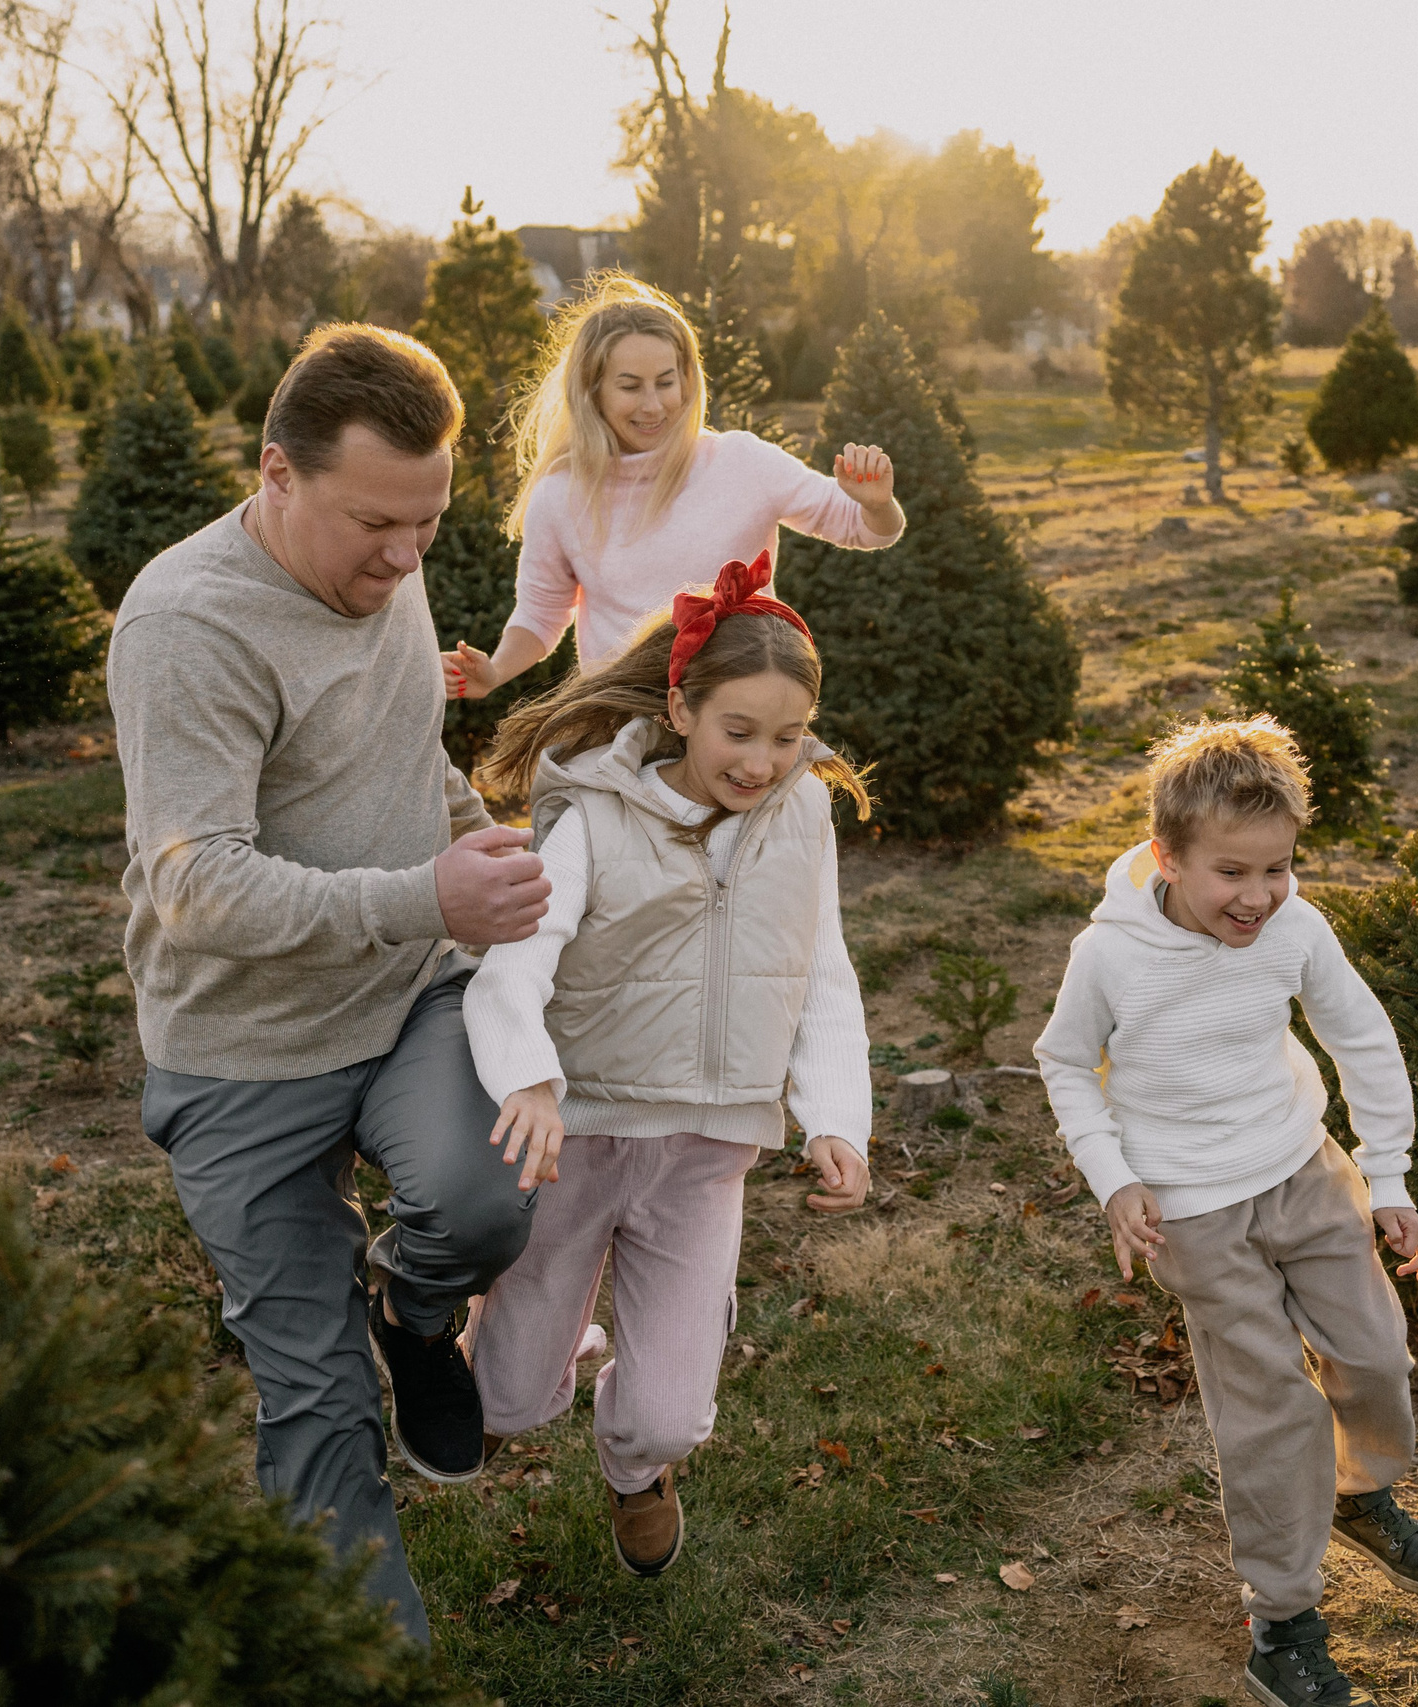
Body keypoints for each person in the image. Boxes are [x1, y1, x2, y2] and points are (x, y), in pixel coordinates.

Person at [109, 323, 554, 1645]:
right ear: (277, 475)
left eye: (428, 522)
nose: (407, 557)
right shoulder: (189, 626)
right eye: (376, 522)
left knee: (480, 1199)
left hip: (405, 992)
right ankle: (374, 1664)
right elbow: (195, 883)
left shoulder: (387, 564)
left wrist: (470, 832)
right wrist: (425, 894)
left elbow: (406, 751)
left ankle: (420, 1323)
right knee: (312, 1398)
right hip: (244, 1050)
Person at [1032, 716, 1418, 1707]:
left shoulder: (1296, 930)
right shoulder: (1110, 957)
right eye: (1232, 872)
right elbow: (1062, 1064)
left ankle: (1359, 1494)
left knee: (1376, 1357)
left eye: (1278, 869)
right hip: (1192, 1211)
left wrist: (1387, 1176)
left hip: (1304, 1171)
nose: (1259, 897)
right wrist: (1114, 1178)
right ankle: (1281, 1622)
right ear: (1164, 856)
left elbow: (1363, 1039)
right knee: (1269, 1407)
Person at [457, 552, 873, 1576]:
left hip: (707, 1149)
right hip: (579, 1138)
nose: (763, 761)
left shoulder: (803, 815)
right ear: (681, 709)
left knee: (668, 1416)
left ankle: (637, 1471)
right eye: (740, 731)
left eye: (786, 737)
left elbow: (822, 969)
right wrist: (528, 1080)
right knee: (500, 1401)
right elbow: (516, 963)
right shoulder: (594, 816)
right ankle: (528, 1346)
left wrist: (835, 1119)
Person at [439, 274, 904, 691]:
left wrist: (876, 504)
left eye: (665, 382)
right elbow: (541, 616)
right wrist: (496, 671)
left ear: (687, 379)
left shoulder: (742, 461)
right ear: (592, 390)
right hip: (619, 723)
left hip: (737, 717)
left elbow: (865, 529)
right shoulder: (560, 495)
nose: (653, 405)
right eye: (629, 385)